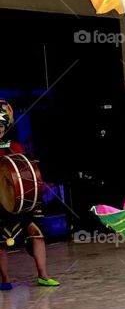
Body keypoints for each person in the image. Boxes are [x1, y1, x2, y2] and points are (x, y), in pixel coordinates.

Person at [0, 100, 59, 289]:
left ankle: (43, 275)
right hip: (2, 202)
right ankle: (5, 280)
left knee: (37, 234)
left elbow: (26, 169)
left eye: (1, 125)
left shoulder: (15, 146)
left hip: (25, 200)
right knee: (1, 243)